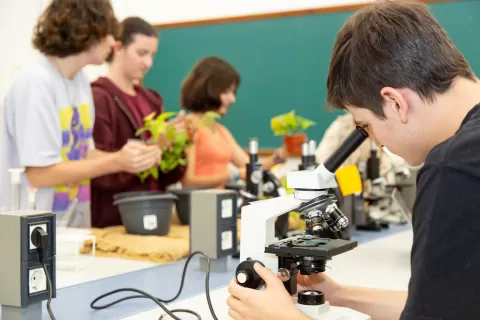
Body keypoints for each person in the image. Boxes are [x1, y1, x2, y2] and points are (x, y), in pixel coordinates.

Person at [227, 1, 480, 319]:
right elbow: (449, 304)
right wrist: (341, 295)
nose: (376, 141)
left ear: (394, 103)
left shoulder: (452, 171)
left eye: (367, 127)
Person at [0, 0, 161, 228]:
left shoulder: (80, 82)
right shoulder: (35, 83)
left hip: (70, 228)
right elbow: (39, 173)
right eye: (108, 33)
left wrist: (130, 156)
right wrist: (116, 161)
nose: (112, 41)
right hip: (27, 231)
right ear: (87, 32)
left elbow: (83, 152)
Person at [90, 17, 187, 228]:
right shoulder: (98, 97)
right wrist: (155, 145)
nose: (148, 63)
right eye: (141, 53)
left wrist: (177, 146)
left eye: (152, 55)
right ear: (118, 48)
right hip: (115, 220)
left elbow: (166, 176)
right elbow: (100, 173)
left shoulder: (151, 99)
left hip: (156, 213)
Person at [180, 56, 287, 188]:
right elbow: (188, 182)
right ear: (207, 89)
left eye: (233, 92)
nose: (232, 99)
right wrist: (232, 175)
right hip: (198, 206)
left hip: (221, 204)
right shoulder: (188, 127)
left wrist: (278, 157)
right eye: (226, 92)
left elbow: (250, 167)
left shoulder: (221, 131)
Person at [315, 112, 393, 176]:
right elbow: (321, 156)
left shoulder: (380, 125)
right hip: (344, 185)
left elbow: (389, 162)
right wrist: (347, 175)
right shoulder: (340, 125)